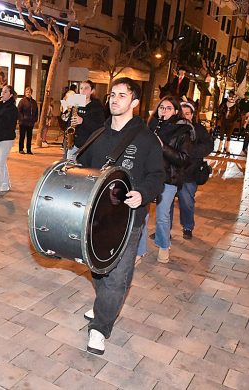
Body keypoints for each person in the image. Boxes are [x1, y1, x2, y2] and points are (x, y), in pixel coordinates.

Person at [78, 77, 164, 355]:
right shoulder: (97, 134)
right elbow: (83, 169)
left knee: (117, 276)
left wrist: (143, 193)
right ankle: (105, 305)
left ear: (135, 103)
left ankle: (100, 328)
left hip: (128, 220)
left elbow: (157, 176)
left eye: (122, 95)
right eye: (112, 95)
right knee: (98, 268)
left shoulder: (146, 139)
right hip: (96, 219)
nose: (114, 99)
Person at [147, 96, 193, 263]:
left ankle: (163, 246)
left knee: (162, 215)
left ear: (175, 112)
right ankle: (138, 248)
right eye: (161, 108)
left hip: (168, 178)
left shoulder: (182, 131)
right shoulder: (150, 127)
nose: (163, 111)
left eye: (168, 108)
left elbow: (183, 159)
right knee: (141, 214)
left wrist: (163, 147)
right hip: (149, 175)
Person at [173, 101, 214, 239]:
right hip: (171, 173)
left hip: (189, 173)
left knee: (187, 202)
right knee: (166, 203)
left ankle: (188, 226)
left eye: (187, 114)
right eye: (182, 114)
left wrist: (190, 152)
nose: (184, 117)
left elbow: (208, 145)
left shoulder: (198, 129)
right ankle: (164, 231)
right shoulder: (173, 127)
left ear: (192, 115)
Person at [65, 80, 105, 160]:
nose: (83, 91)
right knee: (69, 170)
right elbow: (69, 121)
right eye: (81, 88)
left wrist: (83, 121)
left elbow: (100, 128)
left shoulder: (97, 107)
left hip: (88, 146)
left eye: (86, 88)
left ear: (92, 91)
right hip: (73, 145)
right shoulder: (76, 103)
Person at [17, 86, 38, 155]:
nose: (28, 93)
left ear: (31, 93)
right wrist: (22, 118)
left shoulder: (34, 102)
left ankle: (29, 150)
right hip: (23, 122)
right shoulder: (22, 101)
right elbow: (19, 111)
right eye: (27, 92)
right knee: (22, 136)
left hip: (30, 122)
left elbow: (36, 111)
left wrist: (35, 119)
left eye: (29, 92)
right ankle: (21, 149)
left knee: (29, 137)